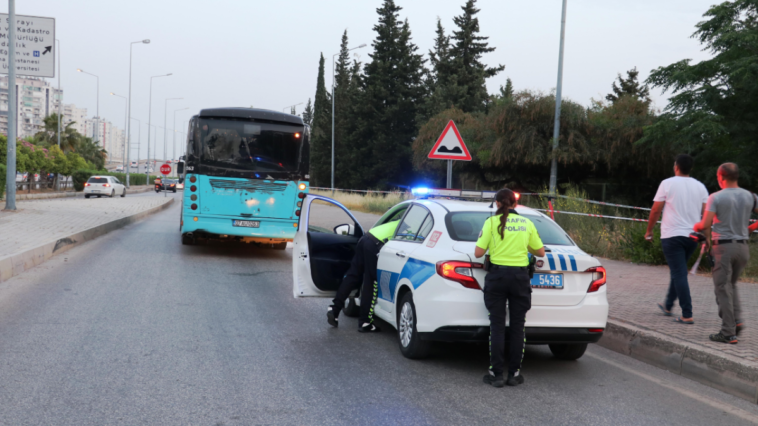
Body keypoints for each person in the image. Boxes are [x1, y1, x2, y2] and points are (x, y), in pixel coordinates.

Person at [474, 189, 545, 388]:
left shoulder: (490, 223)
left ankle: (496, 374)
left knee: (496, 327)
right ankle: (514, 374)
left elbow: (478, 253)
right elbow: (540, 252)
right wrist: (524, 247)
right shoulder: (527, 223)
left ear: (496, 203)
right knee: (517, 327)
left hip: (497, 277)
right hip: (520, 278)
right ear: (515, 204)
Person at [694, 163, 758, 344]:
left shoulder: (716, 197)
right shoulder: (751, 196)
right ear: (737, 176)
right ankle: (737, 321)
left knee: (722, 288)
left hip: (723, 248)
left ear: (721, 177)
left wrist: (696, 227)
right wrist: (750, 228)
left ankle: (728, 332)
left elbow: (705, 224)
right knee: (731, 285)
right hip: (743, 248)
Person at [645, 154, 709, 325]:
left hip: (672, 235)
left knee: (679, 273)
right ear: (690, 168)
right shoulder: (700, 187)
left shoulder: (667, 183)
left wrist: (649, 231)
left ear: (676, 167)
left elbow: (656, 210)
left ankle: (687, 314)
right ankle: (667, 305)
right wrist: (707, 237)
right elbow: (706, 214)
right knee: (678, 271)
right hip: (692, 237)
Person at [327, 218, 400, 333]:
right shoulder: (411, 224)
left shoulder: (398, 219)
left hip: (365, 239)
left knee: (353, 275)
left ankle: (334, 309)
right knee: (371, 283)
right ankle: (365, 322)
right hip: (374, 245)